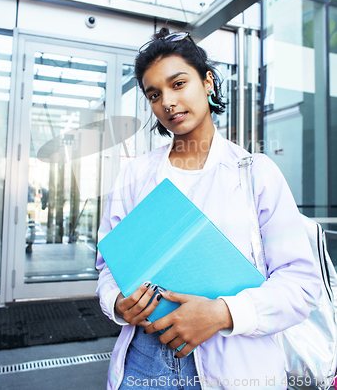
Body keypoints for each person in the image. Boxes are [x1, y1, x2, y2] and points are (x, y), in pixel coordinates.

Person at [96, 28, 321, 390]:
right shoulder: (136, 175)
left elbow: (301, 285)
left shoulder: (255, 173)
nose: (167, 102)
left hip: (233, 366)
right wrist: (118, 303)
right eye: (154, 94)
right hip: (144, 363)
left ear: (208, 82)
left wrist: (222, 313)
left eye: (178, 83)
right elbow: (110, 267)